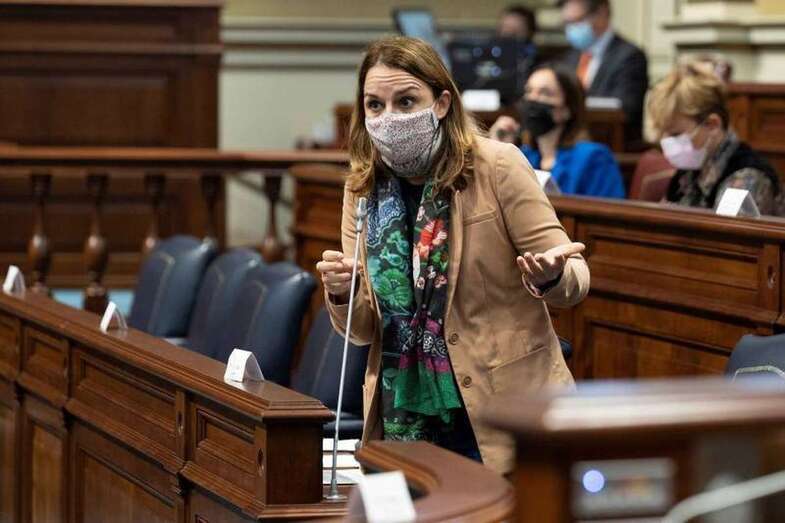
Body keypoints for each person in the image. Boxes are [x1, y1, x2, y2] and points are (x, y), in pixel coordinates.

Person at [316, 36, 589, 475]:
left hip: (500, 410)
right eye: (375, 105)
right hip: (403, 414)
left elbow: (575, 279)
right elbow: (364, 330)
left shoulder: (497, 166)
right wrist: (343, 293)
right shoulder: (362, 187)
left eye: (406, 102)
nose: (389, 118)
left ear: (442, 102)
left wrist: (549, 277)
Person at [648, 63, 784, 216]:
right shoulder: (689, 171)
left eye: (675, 134)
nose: (665, 142)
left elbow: (724, 237)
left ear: (712, 125)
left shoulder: (746, 178)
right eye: (662, 133)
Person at [489, 64, 625, 198]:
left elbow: (608, 215)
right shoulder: (524, 156)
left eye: (545, 93)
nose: (532, 99)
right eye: (529, 91)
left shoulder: (593, 157)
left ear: (568, 108)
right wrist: (499, 151)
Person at [558, 0, 648, 140]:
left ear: (602, 12)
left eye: (578, 20)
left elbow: (626, 109)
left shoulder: (629, 56)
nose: (572, 28)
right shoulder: (569, 57)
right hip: (569, 143)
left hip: (611, 145)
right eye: (567, 23)